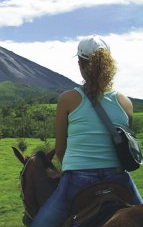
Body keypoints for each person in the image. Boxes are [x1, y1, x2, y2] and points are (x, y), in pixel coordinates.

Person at [30, 35, 143, 227]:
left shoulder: (68, 99)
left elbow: (60, 149)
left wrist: (72, 169)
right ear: (109, 65)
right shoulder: (126, 102)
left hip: (77, 178)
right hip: (118, 176)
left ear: (81, 65)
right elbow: (125, 147)